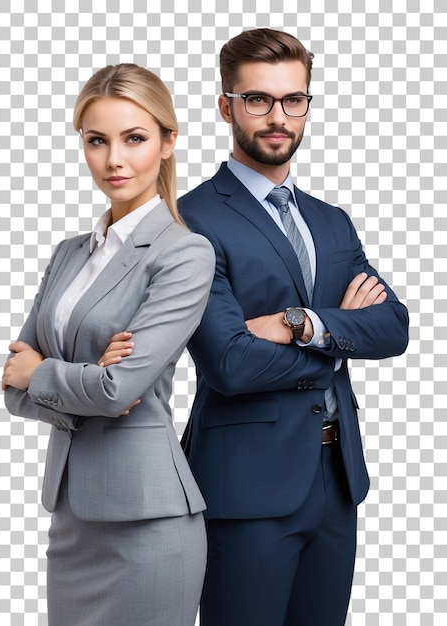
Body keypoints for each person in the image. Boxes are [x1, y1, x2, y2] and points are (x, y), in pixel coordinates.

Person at [177, 28, 409, 625]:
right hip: (247, 487)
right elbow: (230, 363)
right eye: (258, 100)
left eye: (293, 100)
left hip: (336, 482)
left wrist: (299, 324)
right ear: (226, 106)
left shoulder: (331, 222)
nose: (278, 117)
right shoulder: (193, 220)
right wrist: (340, 336)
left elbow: (394, 327)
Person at [1, 63, 215, 626]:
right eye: (97, 141)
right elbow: (13, 387)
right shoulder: (70, 253)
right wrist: (81, 381)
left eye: (135, 138)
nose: (113, 159)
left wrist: (47, 374)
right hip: (72, 518)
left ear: (169, 143)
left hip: (147, 523)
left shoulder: (185, 253)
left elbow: (117, 387)